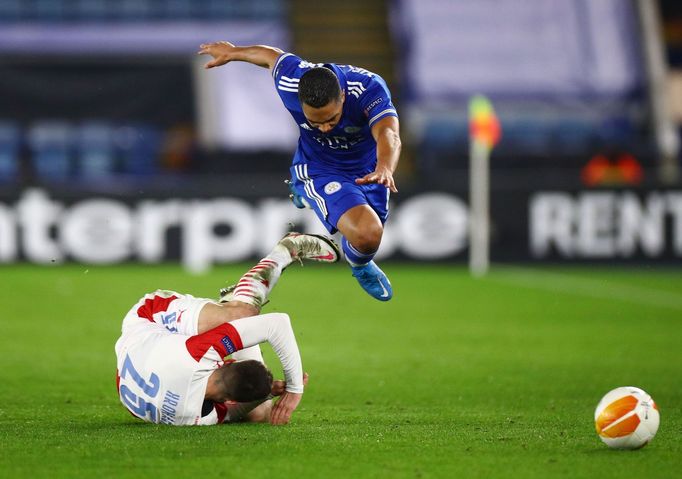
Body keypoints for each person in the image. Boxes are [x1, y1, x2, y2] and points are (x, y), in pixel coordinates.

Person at [198, 41, 402, 302]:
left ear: (342, 96)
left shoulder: (368, 88)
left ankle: (359, 262)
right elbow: (270, 57)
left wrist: (385, 167)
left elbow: (388, 133)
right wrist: (234, 53)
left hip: (370, 169)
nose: (326, 128)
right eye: (316, 122)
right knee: (367, 232)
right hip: (321, 168)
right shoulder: (291, 81)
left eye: (332, 119)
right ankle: (304, 186)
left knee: (368, 243)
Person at [115, 232, 339, 426]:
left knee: (241, 316)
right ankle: (288, 250)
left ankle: (245, 291)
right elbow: (234, 411)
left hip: (147, 325)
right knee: (260, 413)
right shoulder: (192, 418)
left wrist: (292, 388)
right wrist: (275, 391)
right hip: (143, 350)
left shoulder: (199, 355)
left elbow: (277, 324)